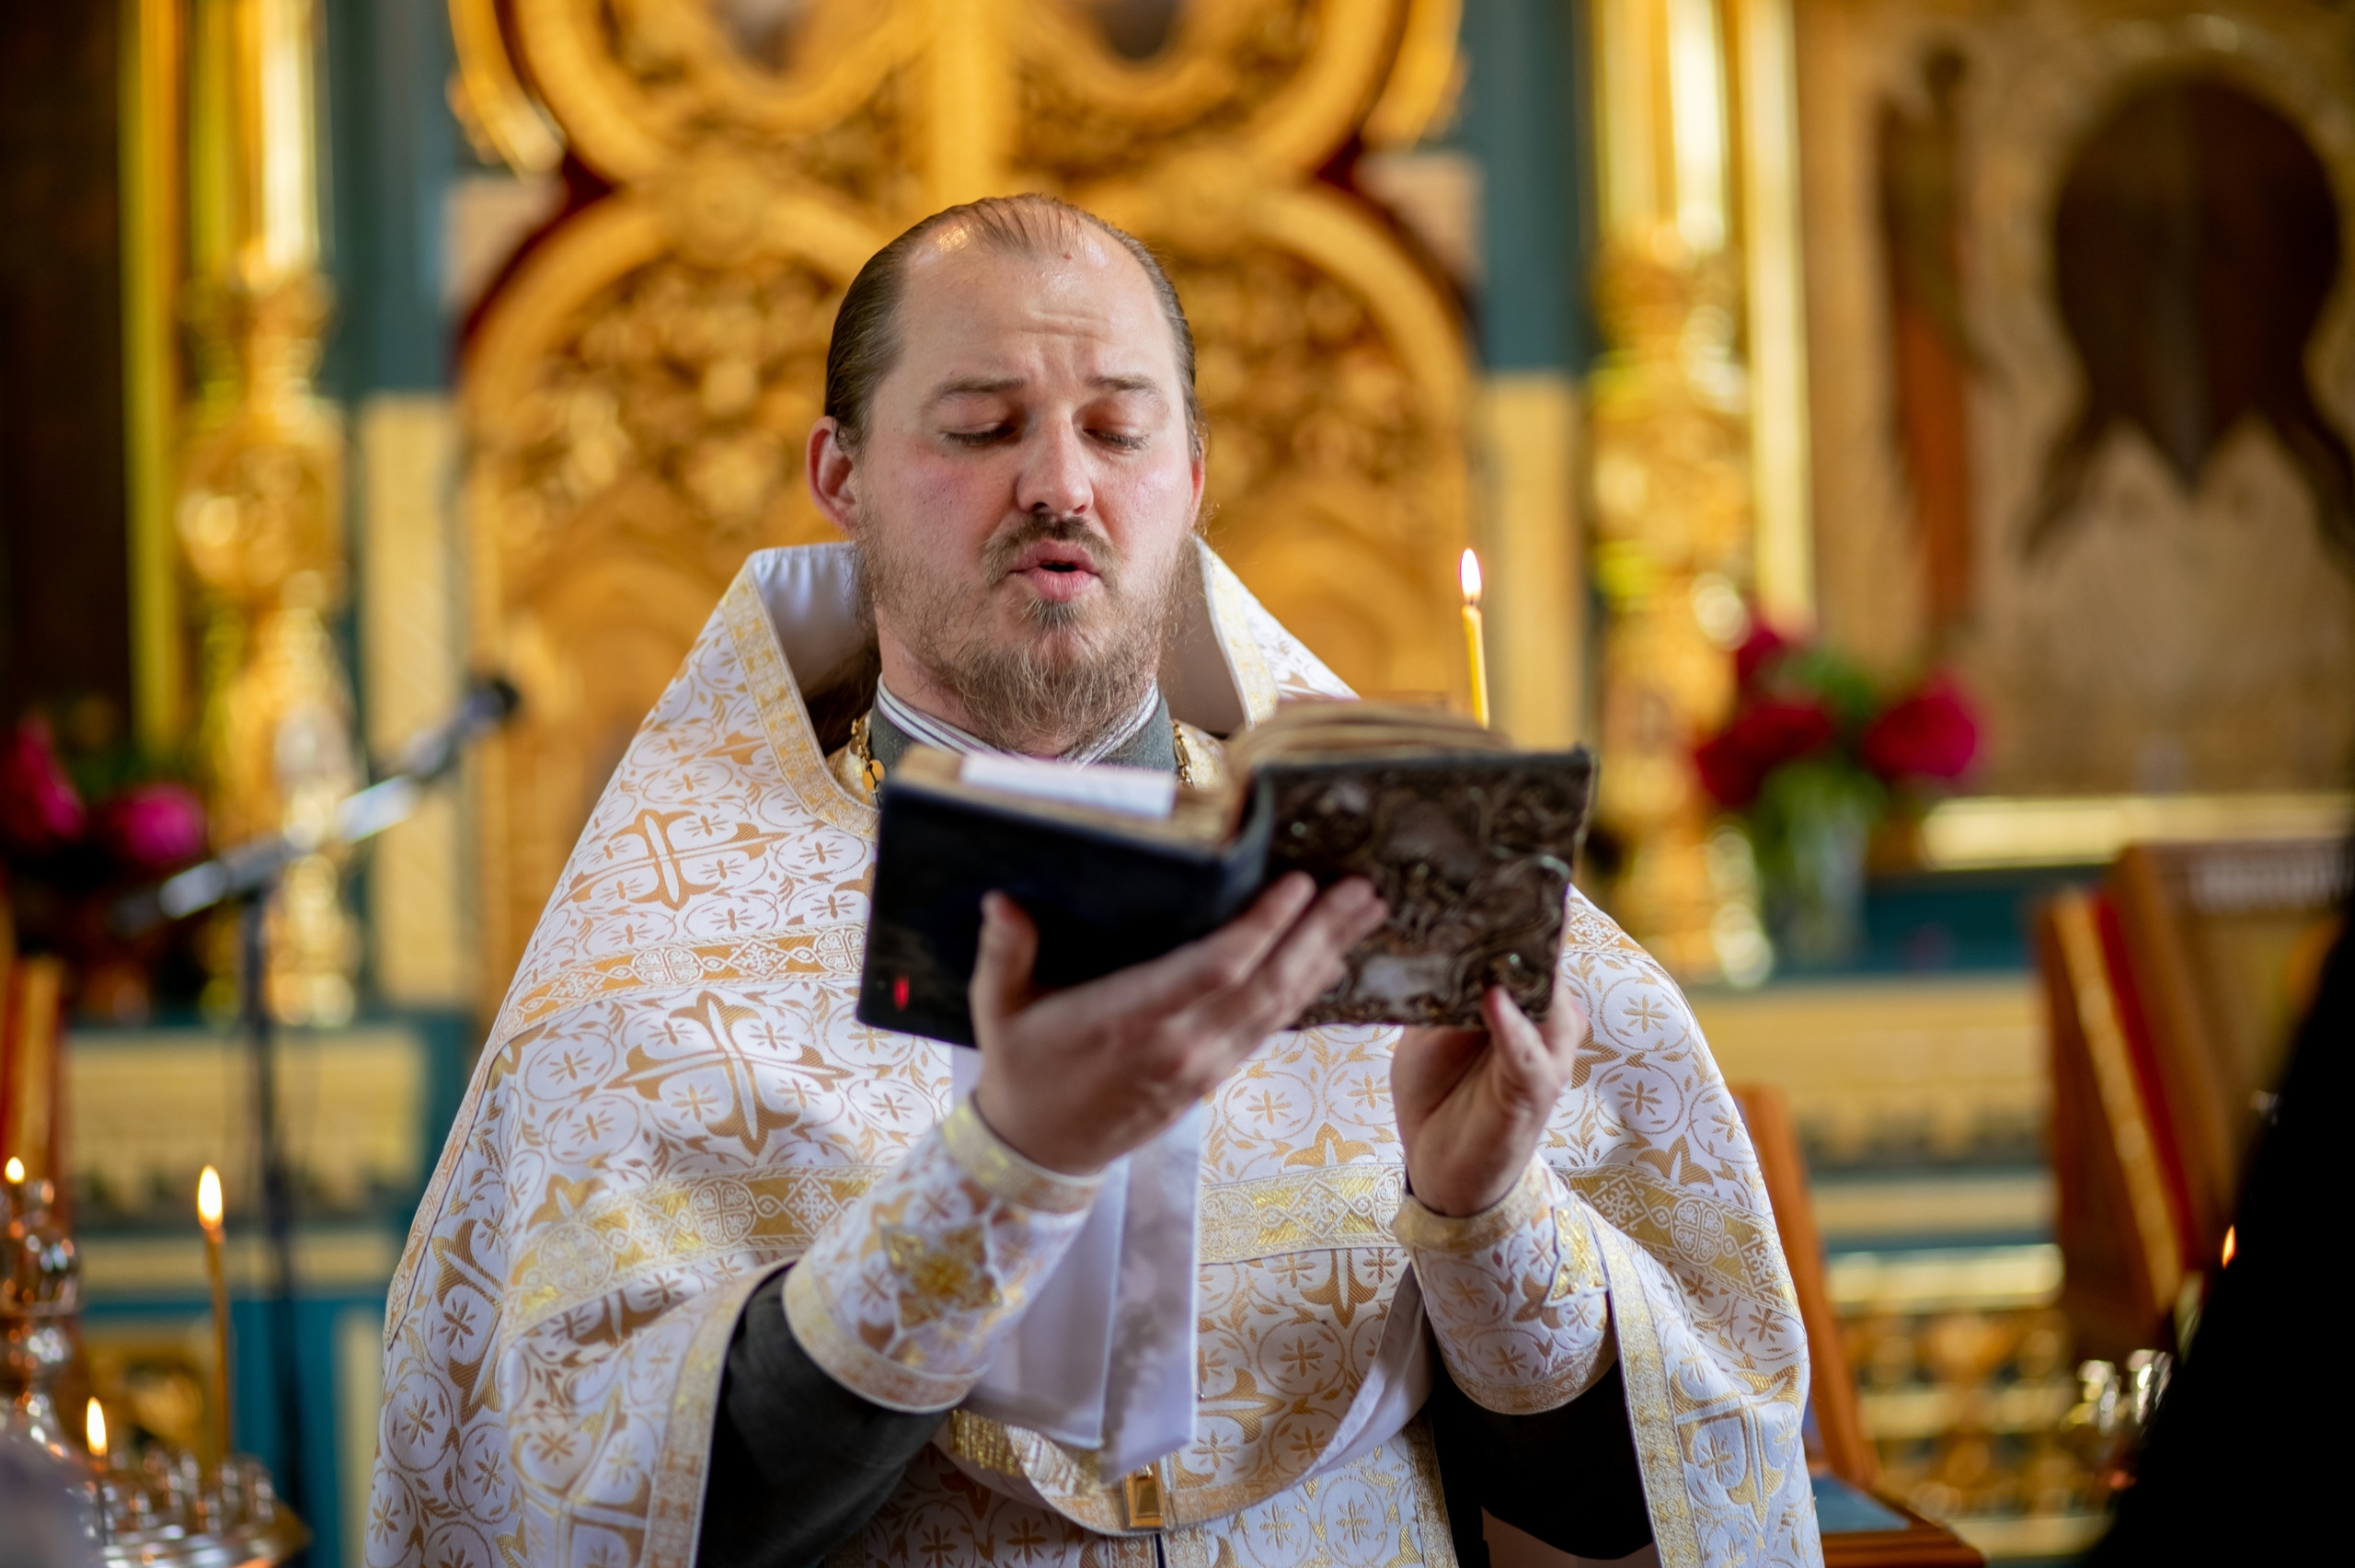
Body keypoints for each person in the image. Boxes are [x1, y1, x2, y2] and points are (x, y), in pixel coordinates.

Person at [370, 196, 1819, 1568]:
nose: (1060, 483)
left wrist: (1482, 1210)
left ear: (1190, 480)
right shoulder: (663, 950)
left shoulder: (1396, 889)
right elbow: (637, 1512)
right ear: (841, 477)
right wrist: (1006, 1169)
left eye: (1119, 429)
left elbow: (1630, 1504)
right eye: (982, 426)